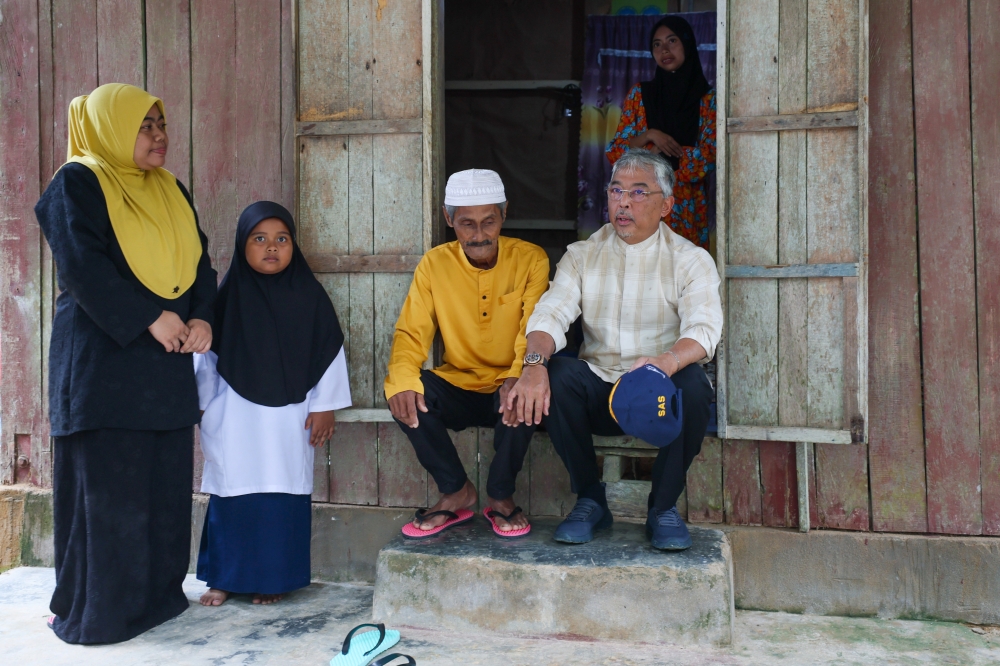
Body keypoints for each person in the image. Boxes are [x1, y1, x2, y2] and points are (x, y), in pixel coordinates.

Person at [35, 83, 218, 644]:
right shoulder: (78, 182)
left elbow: (199, 265)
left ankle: (157, 600)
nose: (159, 136)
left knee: (162, 487)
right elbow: (83, 268)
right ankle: (101, 612)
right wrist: (148, 316)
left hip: (163, 367)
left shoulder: (170, 190)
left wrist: (204, 318)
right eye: (145, 126)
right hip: (102, 364)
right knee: (108, 492)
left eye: (161, 124)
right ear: (111, 128)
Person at [508, 149, 722, 551]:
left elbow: (705, 330)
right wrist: (533, 364)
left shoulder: (691, 260)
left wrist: (665, 363)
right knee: (557, 374)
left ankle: (662, 508)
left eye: (639, 192)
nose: (623, 203)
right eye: (616, 190)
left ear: (667, 205)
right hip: (602, 397)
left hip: (657, 396)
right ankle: (590, 498)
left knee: (694, 385)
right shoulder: (582, 255)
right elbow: (550, 315)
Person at [195, 201, 350, 606]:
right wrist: (199, 406)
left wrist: (325, 406)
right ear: (242, 245)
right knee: (233, 495)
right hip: (234, 417)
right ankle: (224, 578)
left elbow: (329, 353)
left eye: (282, 239)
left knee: (281, 497)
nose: (271, 248)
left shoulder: (310, 296)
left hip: (291, 419)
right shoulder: (226, 300)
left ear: (292, 246)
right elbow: (206, 360)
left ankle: (273, 579)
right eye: (259, 239)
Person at [384, 169, 549, 538]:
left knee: (526, 393)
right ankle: (455, 489)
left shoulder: (531, 259)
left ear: (504, 215)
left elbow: (533, 327)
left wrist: (517, 375)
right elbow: (411, 332)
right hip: (458, 382)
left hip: (508, 380)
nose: (479, 235)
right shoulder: (434, 264)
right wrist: (404, 379)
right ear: (449, 219)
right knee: (405, 390)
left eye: (489, 222)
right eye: (467, 224)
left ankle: (502, 497)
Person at [605, 16, 716, 249]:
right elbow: (616, 154)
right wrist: (649, 136)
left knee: (684, 275)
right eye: (656, 44)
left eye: (672, 41)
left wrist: (653, 156)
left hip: (686, 208)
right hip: (638, 206)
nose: (664, 49)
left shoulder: (707, 100)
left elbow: (705, 160)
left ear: (687, 44)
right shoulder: (639, 95)